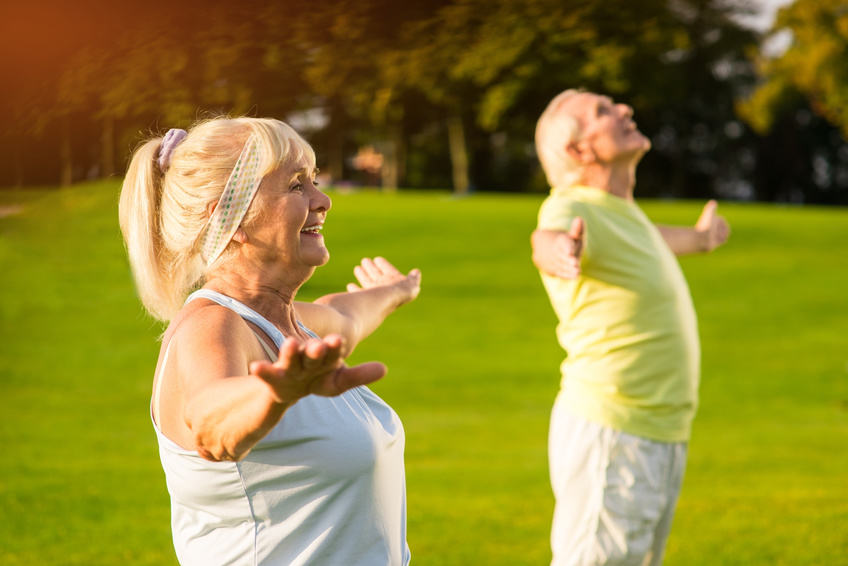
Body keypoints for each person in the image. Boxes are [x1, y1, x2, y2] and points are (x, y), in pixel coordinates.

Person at [118, 117, 421, 566]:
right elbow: (210, 420)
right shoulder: (212, 327)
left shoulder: (290, 324)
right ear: (232, 218)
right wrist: (272, 392)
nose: (323, 200)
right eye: (297, 186)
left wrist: (396, 291)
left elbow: (345, 313)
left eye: (314, 180)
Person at [531, 89, 730, 566]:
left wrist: (700, 240)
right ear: (579, 151)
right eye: (603, 111)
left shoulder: (624, 215)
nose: (625, 110)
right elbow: (547, 234)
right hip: (615, 429)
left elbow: (650, 238)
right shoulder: (573, 205)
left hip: (658, 429)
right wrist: (559, 250)